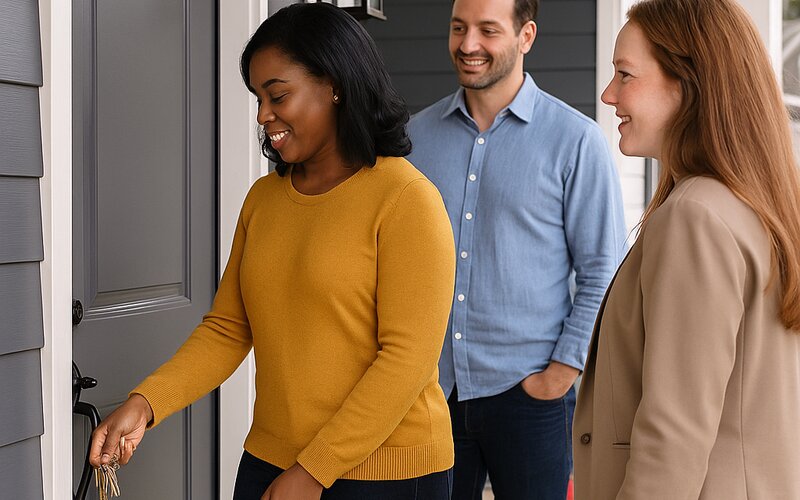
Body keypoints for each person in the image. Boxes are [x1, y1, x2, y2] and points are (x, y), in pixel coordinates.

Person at [88, 4, 457, 499]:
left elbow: (406, 361)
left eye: (277, 95)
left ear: (335, 85)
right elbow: (228, 328)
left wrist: (314, 471)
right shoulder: (264, 199)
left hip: (387, 473)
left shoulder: (407, 199)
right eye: (258, 98)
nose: (263, 115)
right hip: (272, 458)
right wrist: (146, 403)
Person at [572, 0, 800, 498]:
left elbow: (672, 439)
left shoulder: (695, 217)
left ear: (688, 84)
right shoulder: (755, 205)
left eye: (625, 74)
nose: (609, 94)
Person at [406, 0, 627, 497]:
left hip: (530, 397)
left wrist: (561, 373)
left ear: (526, 36)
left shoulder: (575, 141)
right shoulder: (415, 139)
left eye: (488, 30)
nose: (468, 45)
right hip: (432, 394)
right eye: (459, 28)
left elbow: (605, 270)